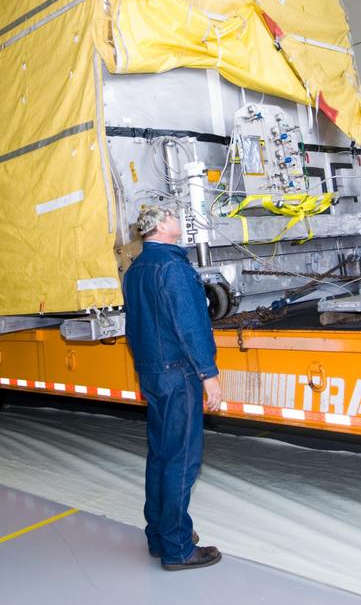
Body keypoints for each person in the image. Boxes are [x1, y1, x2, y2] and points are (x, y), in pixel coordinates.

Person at [123, 204, 223, 571]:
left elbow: (133, 328)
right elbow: (190, 326)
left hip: (152, 372)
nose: (178, 218)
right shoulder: (172, 267)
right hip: (179, 373)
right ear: (163, 226)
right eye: (173, 215)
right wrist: (208, 374)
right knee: (181, 458)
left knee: (161, 455)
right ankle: (178, 548)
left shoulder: (135, 269)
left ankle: (159, 534)